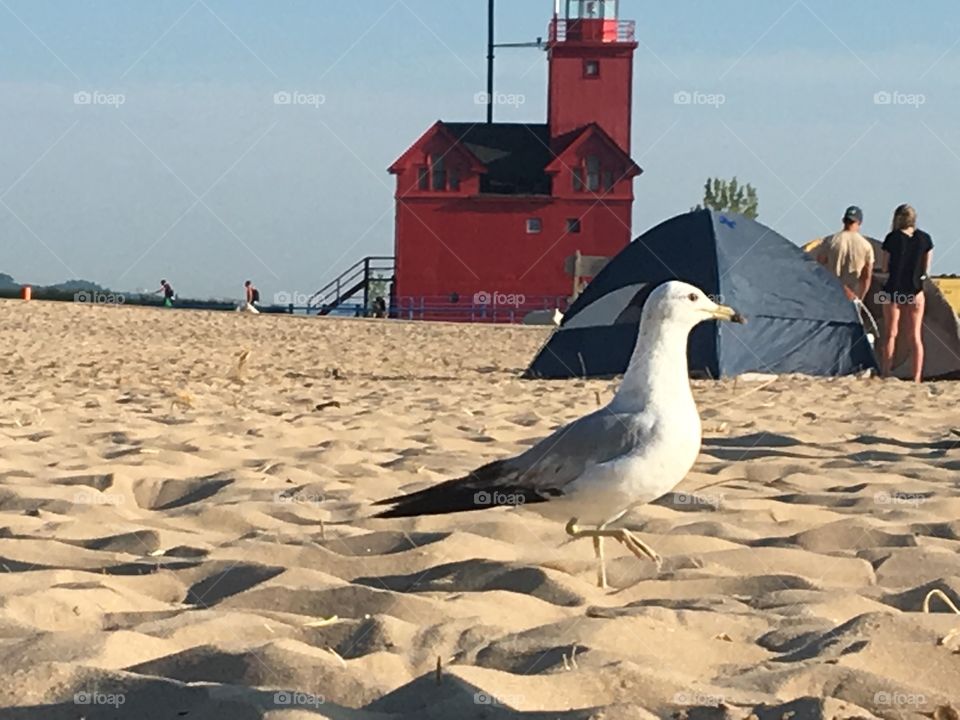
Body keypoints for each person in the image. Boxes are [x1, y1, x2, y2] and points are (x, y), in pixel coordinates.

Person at [879, 204, 933, 382]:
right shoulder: (925, 239)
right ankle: (916, 377)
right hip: (915, 291)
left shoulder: (892, 238)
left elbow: (885, 267)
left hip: (894, 290)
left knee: (891, 333)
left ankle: (886, 372)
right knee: (915, 335)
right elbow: (926, 269)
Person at [816, 206, 874, 300]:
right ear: (859, 222)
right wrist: (860, 298)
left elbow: (818, 267)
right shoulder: (866, 246)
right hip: (851, 295)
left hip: (831, 292)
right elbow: (867, 276)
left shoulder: (830, 241)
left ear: (843, 220)